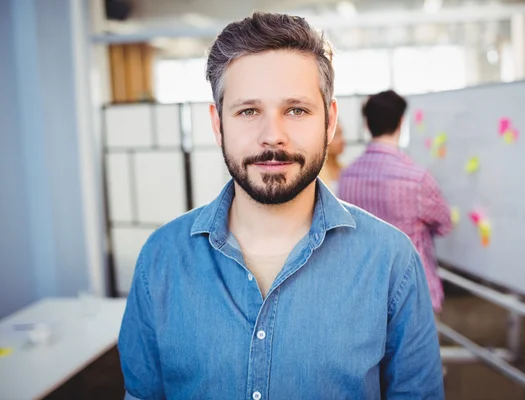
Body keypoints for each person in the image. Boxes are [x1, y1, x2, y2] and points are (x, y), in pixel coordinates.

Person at [118, 13, 443, 400]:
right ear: (218, 124)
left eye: (296, 110)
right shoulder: (161, 258)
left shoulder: (392, 262)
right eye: (248, 111)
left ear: (330, 121)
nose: (272, 135)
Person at [339, 90, 452, 313]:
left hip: (364, 291)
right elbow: (445, 225)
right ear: (402, 121)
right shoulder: (418, 178)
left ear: (366, 125)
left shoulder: (347, 176)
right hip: (413, 293)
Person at [319, 123, 345, 194]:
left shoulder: (345, 168)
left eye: (342, 134)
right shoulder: (317, 174)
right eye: (336, 135)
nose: (342, 140)